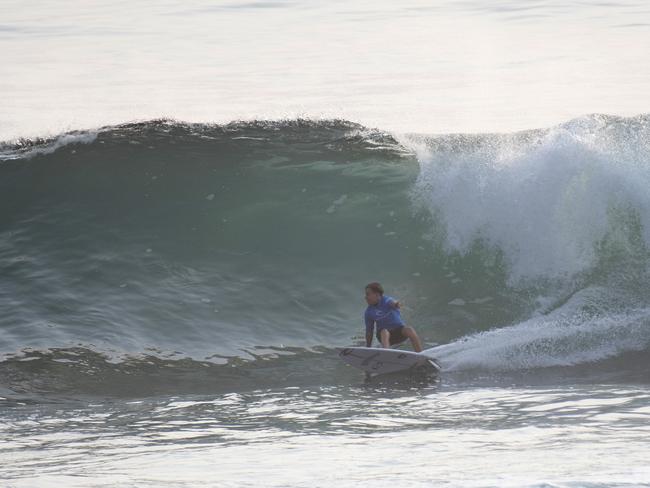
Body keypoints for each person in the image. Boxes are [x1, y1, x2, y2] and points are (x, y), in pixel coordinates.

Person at [364, 282, 423, 352]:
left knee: (409, 329)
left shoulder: (386, 300)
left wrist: (396, 305)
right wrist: (368, 348)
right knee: (384, 332)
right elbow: (369, 332)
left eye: (368, 294)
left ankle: (420, 353)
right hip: (384, 337)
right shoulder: (368, 312)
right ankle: (387, 354)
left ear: (377, 295)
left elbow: (391, 303)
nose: (365, 297)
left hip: (399, 332)